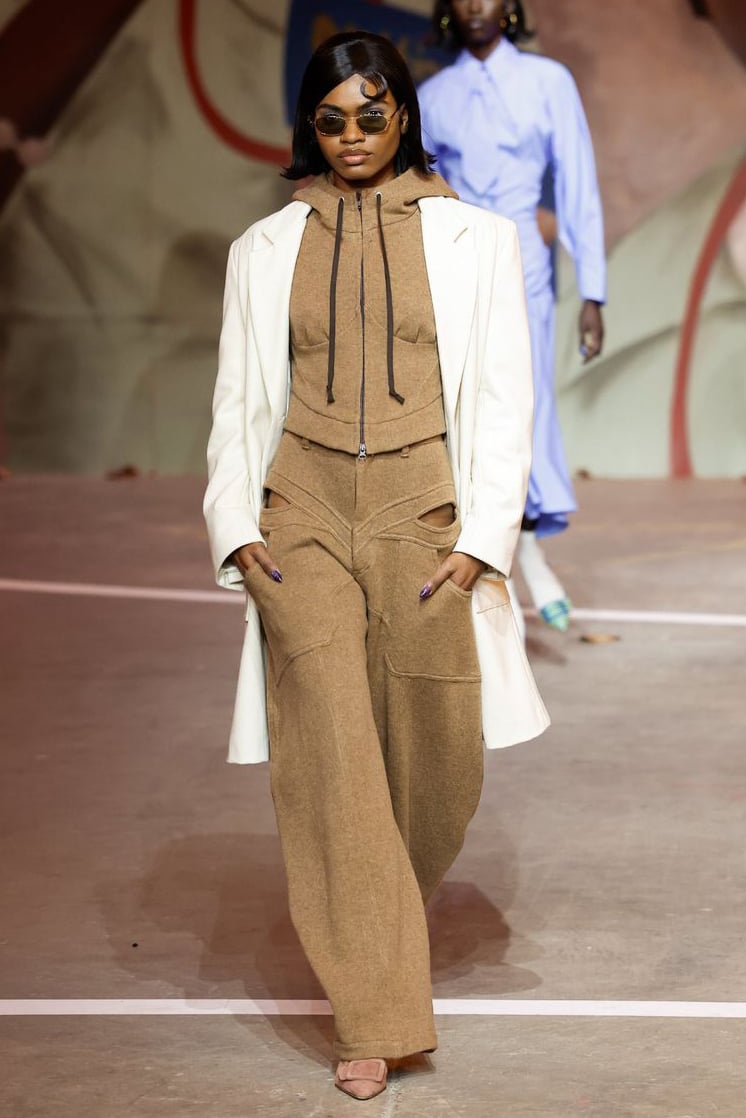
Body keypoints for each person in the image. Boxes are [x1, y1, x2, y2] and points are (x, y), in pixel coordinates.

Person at [204, 29, 549, 1101]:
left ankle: (379, 916)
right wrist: (237, 526)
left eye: (370, 115)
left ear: (402, 114)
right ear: (308, 127)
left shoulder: (478, 240)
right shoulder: (263, 248)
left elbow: (505, 399)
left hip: (423, 512)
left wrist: (482, 542)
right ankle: (376, 1011)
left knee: (434, 764)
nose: (351, 137)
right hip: (299, 513)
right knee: (333, 755)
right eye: (330, 120)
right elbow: (236, 404)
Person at [419, 0, 607, 633]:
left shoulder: (548, 81)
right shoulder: (433, 96)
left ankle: (527, 550)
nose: (476, 4)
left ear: (510, 6)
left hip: (524, 259)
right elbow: (417, 192)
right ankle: (490, 563)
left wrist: (594, 292)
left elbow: (578, 184)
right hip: (453, 261)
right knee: (461, 410)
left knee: (525, 406)